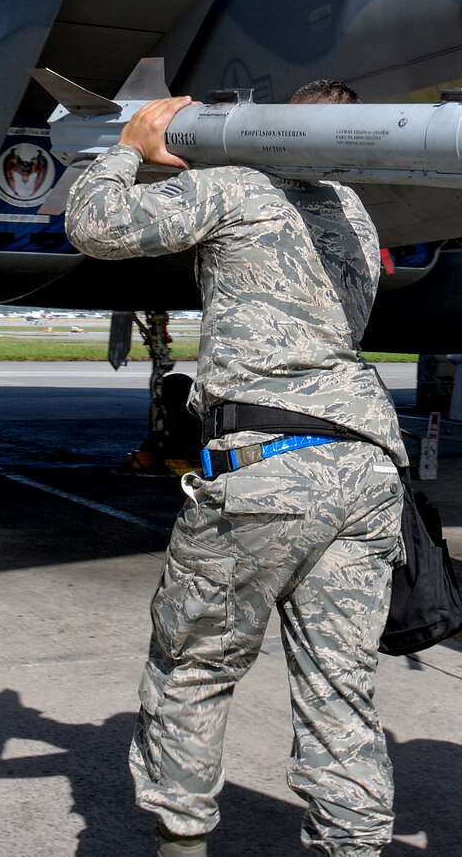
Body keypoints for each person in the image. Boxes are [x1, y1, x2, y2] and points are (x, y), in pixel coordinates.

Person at [64, 78, 407, 857]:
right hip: (365, 465)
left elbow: (97, 225)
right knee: (339, 691)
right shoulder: (352, 211)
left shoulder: (237, 188)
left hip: (268, 466)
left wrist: (128, 150)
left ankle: (181, 841)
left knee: (193, 667)